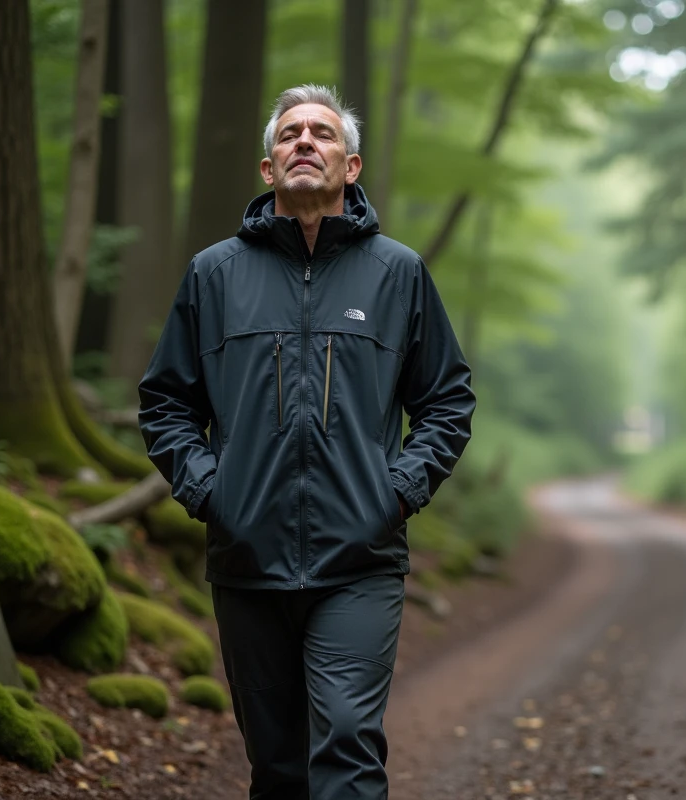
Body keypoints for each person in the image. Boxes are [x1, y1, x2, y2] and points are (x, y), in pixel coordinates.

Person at [138, 83, 475, 799]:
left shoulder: (399, 273)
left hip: (360, 557)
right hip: (247, 557)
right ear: (268, 169)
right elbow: (166, 401)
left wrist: (397, 490)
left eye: (322, 133)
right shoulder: (214, 274)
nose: (304, 142)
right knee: (278, 767)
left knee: (348, 747)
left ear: (350, 166)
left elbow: (446, 401)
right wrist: (210, 491)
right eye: (290, 134)